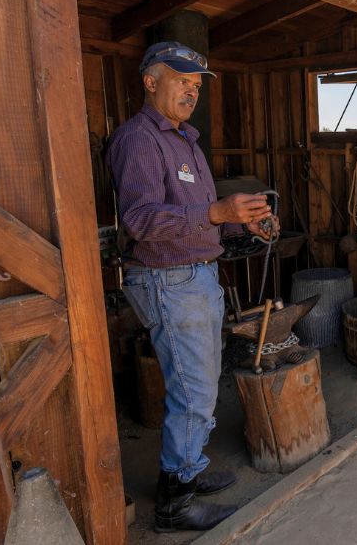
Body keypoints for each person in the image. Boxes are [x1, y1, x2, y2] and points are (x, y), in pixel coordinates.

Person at [105, 42, 275, 531]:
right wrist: (217, 211)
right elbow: (140, 220)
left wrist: (242, 224)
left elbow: (201, 220)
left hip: (195, 277)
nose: (191, 91)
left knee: (199, 385)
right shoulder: (139, 139)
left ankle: (189, 470)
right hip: (168, 280)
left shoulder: (186, 142)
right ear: (150, 82)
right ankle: (175, 504)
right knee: (193, 392)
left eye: (196, 85)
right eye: (181, 80)